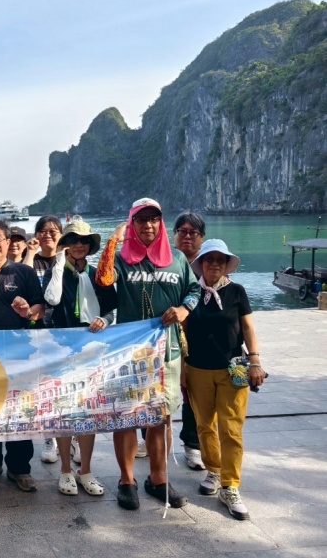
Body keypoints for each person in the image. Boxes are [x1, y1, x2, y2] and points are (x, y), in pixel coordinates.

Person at [94, 198, 200, 510]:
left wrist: (183, 309)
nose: (148, 225)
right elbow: (103, 280)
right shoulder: (122, 259)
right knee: (126, 417)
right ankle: (126, 480)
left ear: (161, 223)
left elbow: (194, 290)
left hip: (167, 351)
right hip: (128, 353)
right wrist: (113, 241)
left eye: (154, 219)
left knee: (160, 418)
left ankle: (158, 478)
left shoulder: (177, 259)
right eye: (141, 220)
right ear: (132, 224)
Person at [184, 239, 265, 520]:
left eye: (221, 260)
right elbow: (183, 331)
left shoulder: (236, 291)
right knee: (205, 425)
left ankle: (230, 485)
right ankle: (214, 470)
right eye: (210, 259)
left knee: (231, 428)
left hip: (235, 368)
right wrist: (181, 369)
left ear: (227, 264)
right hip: (197, 368)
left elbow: (248, 328)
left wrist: (255, 361)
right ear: (201, 263)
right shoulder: (191, 292)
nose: (215, 264)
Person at [42, 219, 116, 498]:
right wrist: (59, 263)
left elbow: (111, 310)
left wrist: (103, 320)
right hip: (61, 350)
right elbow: (51, 299)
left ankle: (85, 470)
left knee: (88, 412)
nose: (79, 245)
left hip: (91, 350)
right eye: (73, 240)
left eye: (84, 241)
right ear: (65, 245)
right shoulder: (55, 272)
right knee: (64, 411)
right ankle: (65, 470)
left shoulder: (99, 275)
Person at [0, 220, 44, 492]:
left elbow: (39, 307)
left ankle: (19, 468)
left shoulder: (24, 272)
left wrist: (28, 311)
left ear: (8, 242)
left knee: (19, 409)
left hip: (19, 352)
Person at [24, 214, 63, 463]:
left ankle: (70, 436)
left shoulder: (67, 259)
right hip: (37, 331)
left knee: (66, 384)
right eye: (42, 231)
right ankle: (50, 437)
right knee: (44, 387)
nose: (47, 235)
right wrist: (30, 252)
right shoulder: (33, 261)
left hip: (64, 330)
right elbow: (23, 277)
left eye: (53, 231)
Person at [173, 212, 207, 470]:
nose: (187, 237)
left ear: (201, 237)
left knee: (192, 393)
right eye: (182, 231)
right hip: (164, 336)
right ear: (174, 235)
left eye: (193, 232)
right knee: (153, 389)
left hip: (198, 339)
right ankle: (147, 438)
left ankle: (192, 444)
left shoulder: (210, 264)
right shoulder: (164, 262)